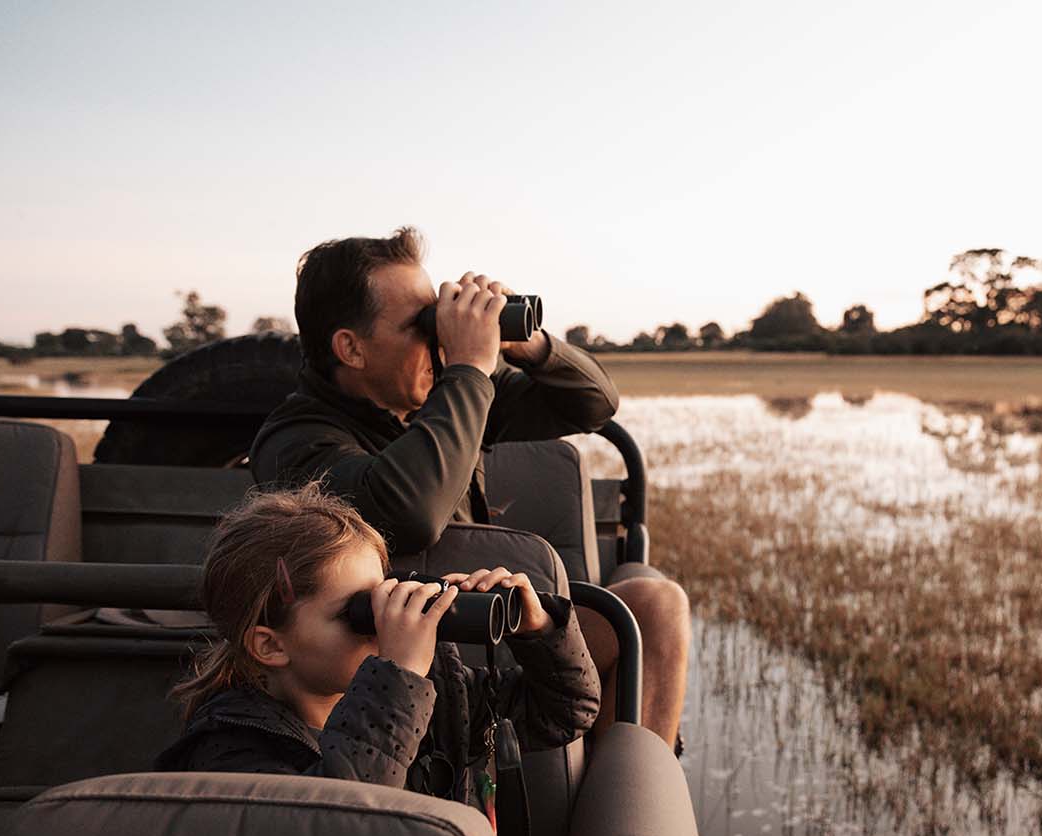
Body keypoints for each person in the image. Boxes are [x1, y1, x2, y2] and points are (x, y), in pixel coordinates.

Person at [249, 228, 691, 750]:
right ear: (351, 348)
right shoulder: (295, 441)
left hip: (487, 632)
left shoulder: (445, 396)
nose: (437, 338)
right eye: (420, 325)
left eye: (436, 316)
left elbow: (594, 405)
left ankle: (622, 790)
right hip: (389, 664)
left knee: (654, 605)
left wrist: (529, 345)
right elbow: (411, 513)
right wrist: (470, 368)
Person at [155, 483, 600, 806]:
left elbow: (565, 711)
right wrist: (398, 679)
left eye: (382, 597)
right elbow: (341, 825)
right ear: (270, 646)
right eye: (359, 613)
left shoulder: (437, 694)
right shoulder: (229, 752)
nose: (382, 625)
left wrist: (539, 630)